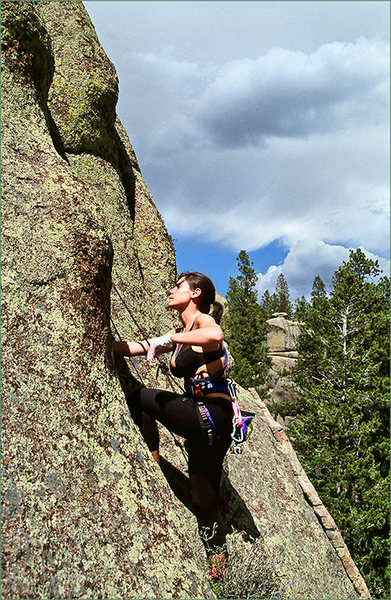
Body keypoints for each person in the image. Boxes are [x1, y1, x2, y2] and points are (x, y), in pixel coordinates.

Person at [112, 272, 234, 581]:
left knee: (140, 397)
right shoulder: (181, 330)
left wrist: (175, 339)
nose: (170, 290)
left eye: (177, 286)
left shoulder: (203, 321)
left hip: (210, 411)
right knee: (203, 493)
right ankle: (218, 565)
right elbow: (140, 346)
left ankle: (152, 459)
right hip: (213, 422)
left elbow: (215, 338)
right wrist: (105, 344)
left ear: (195, 294)